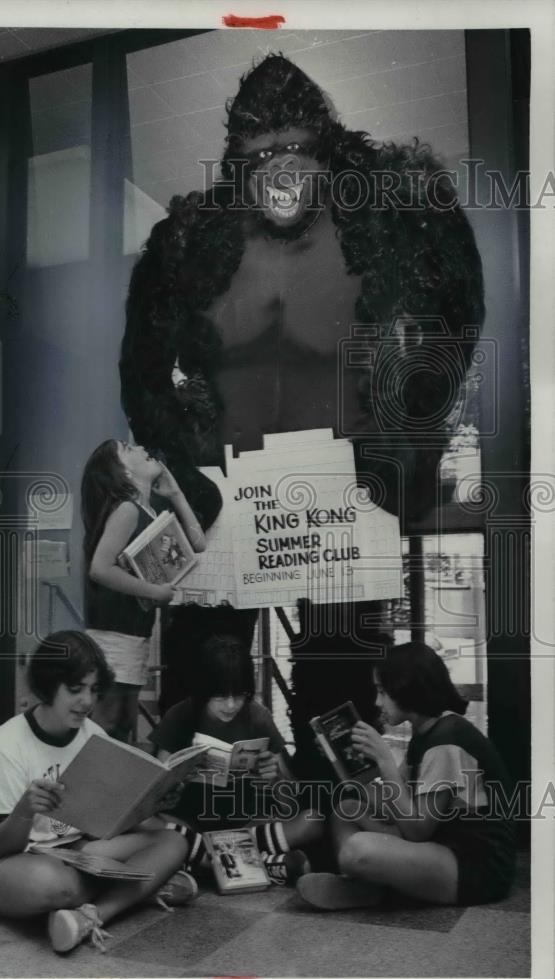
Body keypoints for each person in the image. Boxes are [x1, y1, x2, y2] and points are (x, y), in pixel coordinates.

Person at [119, 52, 485, 754]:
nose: (279, 172)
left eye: (294, 151)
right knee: (201, 697)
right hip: (224, 496)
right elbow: (139, 371)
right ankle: (197, 845)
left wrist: (408, 432)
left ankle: (327, 841)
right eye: (259, 156)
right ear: (235, 162)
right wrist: (179, 462)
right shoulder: (189, 244)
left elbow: (456, 321)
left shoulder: (382, 224)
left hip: (341, 498)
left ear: (327, 150)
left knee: (339, 703)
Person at [0, 631, 196, 955]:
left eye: (94, 690)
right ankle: (139, 889)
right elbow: (4, 847)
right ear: (47, 686)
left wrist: (151, 802)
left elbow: (102, 821)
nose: (87, 701)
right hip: (4, 864)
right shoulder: (8, 742)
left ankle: (93, 914)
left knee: (172, 840)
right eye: (75, 689)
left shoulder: (93, 736)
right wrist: (25, 810)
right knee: (53, 883)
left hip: (75, 851)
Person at [296, 642, 516, 910]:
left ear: (406, 689)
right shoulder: (425, 733)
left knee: (357, 850)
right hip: (440, 845)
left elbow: (417, 831)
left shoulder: (446, 740)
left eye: (381, 691)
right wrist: (344, 762)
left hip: (475, 867)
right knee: (346, 810)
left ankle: (372, 888)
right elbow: (395, 807)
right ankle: (366, 886)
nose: (377, 702)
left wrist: (386, 760)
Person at [150, 634, 326, 886]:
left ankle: (203, 863)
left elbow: (290, 803)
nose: (231, 705)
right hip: (189, 824)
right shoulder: (179, 716)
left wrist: (275, 776)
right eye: (220, 696)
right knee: (147, 825)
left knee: (313, 820)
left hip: (247, 827)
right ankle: (264, 863)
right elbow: (154, 791)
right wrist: (173, 787)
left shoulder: (257, 717)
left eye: (240, 695)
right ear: (202, 690)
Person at [81, 439, 206, 743]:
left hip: (135, 634)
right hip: (113, 634)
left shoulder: (149, 510)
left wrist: (175, 494)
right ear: (121, 470)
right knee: (109, 724)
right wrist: (153, 591)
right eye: (128, 448)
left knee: (123, 722)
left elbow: (198, 543)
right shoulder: (127, 510)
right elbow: (100, 568)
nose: (141, 449)